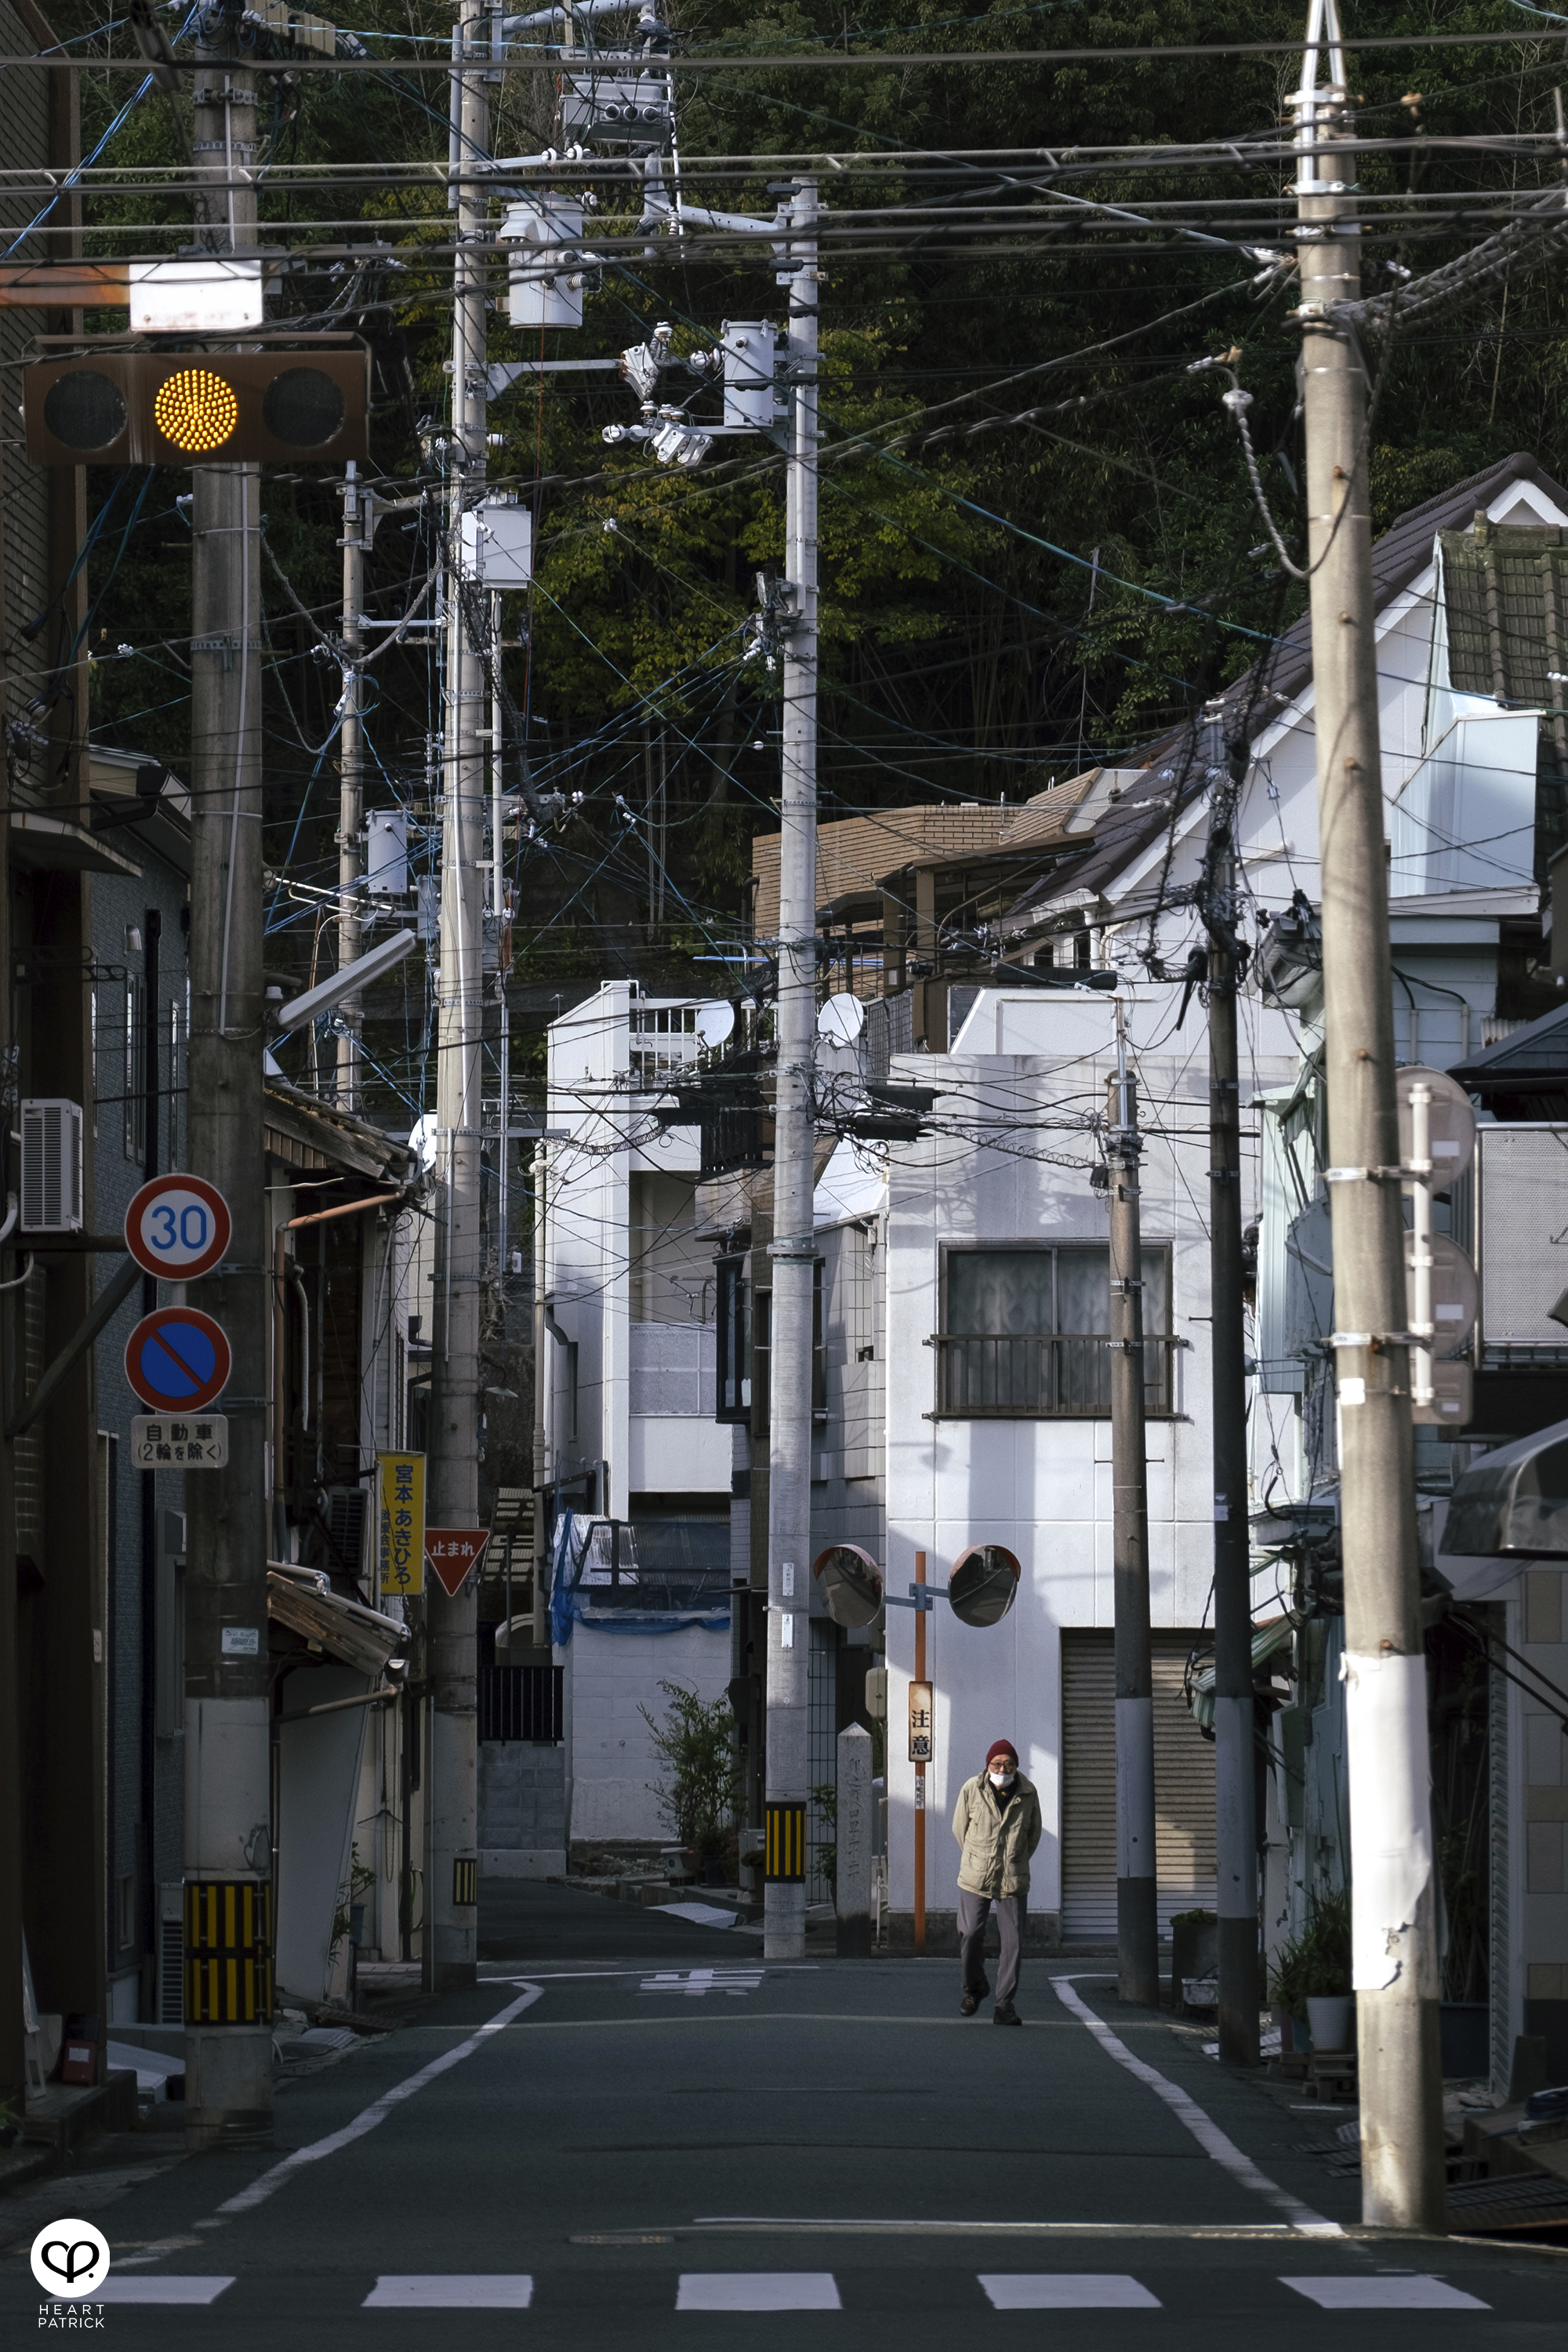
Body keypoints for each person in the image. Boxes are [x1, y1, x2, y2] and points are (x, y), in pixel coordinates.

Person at [950, 1737, 1041, 2024]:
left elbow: (1033, 1835)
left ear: (1016, 1766)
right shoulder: (971, 1789)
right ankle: (975, 1988)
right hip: (975, 1874)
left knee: (1012, 1942)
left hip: (1012, 1878)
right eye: (996, 1764)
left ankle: (1004, 2005)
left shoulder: (1028, 1793)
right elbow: (959, 1829)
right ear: (987, 1766)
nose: (1002, 1768)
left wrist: (1015, 1860)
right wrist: (977, 1859)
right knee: (969, 1932)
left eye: (1008, 1764)